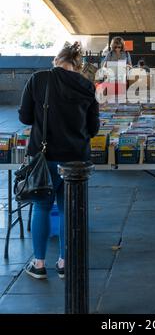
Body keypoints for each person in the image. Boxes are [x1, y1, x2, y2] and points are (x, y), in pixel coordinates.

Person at [18, 41, 99, 279]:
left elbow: (24, 117)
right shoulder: (87, 85)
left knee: (42, 207)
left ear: (56, 60)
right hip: (76, 160)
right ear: (77, 65)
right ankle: (65, 262)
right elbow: (93, 128)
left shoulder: (39, 79)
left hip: (45, 158)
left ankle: (39, 264)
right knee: (68, 209)